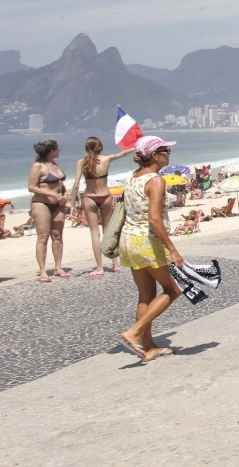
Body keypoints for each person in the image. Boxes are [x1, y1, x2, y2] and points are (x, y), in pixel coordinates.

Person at [116, 136, 185, 362]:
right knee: (172, 290)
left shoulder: (133, 177)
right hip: (146, 241)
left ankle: (147, 347)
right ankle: (134, 332)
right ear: (154, 155)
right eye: (165, 150)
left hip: (128, 240)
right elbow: (155, 219)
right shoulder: (156, 181)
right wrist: (172, 250)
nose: (168, 154)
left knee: (145, 295)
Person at [69, 136, 134, 276]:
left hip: (90, 197)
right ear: (100, 147)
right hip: (105, 196)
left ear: (86, 148)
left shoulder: (81, 162)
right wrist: (135, 147)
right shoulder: (106, 159)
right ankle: (115, 264)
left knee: (94, 233)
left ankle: (99, 267)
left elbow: (76, 184)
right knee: (108, 231)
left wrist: (72, 203)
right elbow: (122, 154)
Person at [27, 139, 71, 282]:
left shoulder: (54, 164)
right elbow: (31, 187)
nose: (59, 151)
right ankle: (43, 271)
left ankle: (58, 267)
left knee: (57, 236)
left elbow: (59, 183)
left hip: (58, 205)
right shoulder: (37, 166)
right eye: (57, 149)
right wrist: (51, 194)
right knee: (43, 237)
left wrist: (65, 194)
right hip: (41, 203)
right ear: (51, 150)